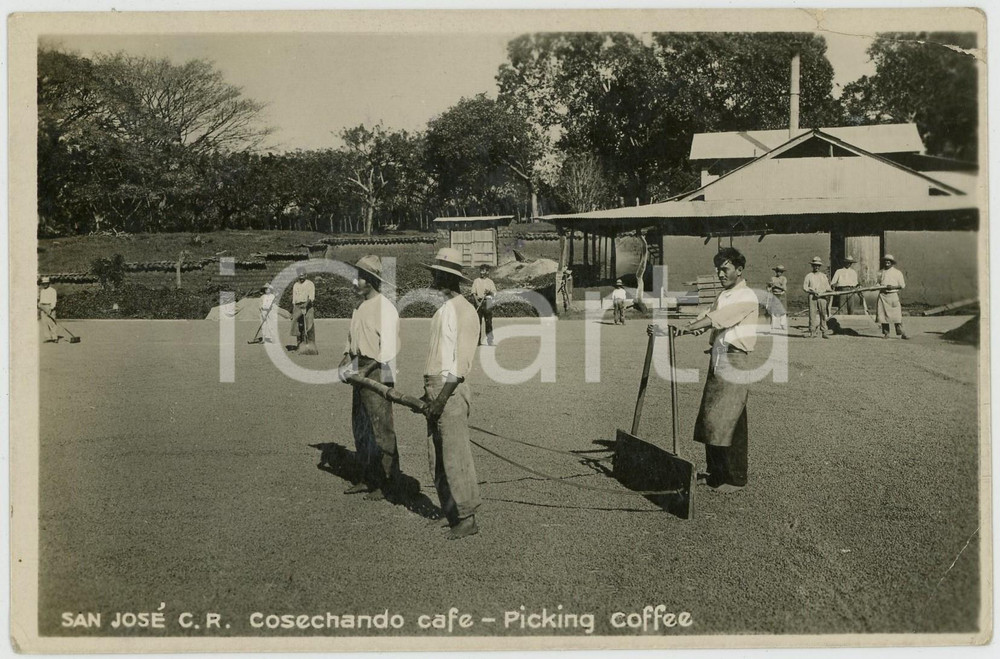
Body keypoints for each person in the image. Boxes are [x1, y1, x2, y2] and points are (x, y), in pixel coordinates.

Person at [648, 247, 758, 492]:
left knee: (730, 420)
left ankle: (736, 478)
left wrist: (690, 327)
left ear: (739, 271)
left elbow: (719, 318)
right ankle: (716, 473)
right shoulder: (724, 294)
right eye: (718, 269)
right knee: (712, 420)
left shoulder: (747, 295)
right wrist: (677, 329)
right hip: (718, 360)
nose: (720, 274)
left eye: (725, 269)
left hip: (735, 361)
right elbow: (706, 317)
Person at [420, 247, 482, 540]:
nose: (431, 276)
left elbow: (460, 365)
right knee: (438, 456)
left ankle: (467, 517)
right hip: (435, 387)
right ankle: (451, 512)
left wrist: (442, 398)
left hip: (450, 391)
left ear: (446, 277)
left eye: (435, 272)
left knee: (456, 455)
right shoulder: (442, 310)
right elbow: (437, 355)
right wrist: (428, 394)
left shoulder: (465, 312)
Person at [338, 255, 402, 500]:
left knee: (381, 428)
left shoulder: (385, 307)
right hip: (360, 367)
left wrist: (365, 371)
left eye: (360, 278)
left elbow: (388, 348)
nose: (356, 283)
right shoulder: (360, 307)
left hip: (377, 370)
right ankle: (367, 477)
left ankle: (386, 483)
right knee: (361, 427)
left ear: (371, 281)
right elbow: (352, 337)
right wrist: (345, 357)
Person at [876, 254, 908, 340]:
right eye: (885, 260)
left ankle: (902, 333)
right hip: (882, 296)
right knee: (883, 316)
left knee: (897, 316)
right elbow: (878, 283)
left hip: (893, 295)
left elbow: (902, 285)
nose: (887, 262)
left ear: (892, 263)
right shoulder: (880, 272)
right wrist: (877, 286)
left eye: (889, 261)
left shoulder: (897, 273)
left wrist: (892, 287)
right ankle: (886, 333)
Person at [802, 256, 832, 339]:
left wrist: (830, 291)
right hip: (812, 296)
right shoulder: (809, 276)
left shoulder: (823, 276)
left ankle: (824, 332)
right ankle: (812, 332)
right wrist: (812, 291)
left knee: (823, 314)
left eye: (818, 266)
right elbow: (805, 287)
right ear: (812, 266)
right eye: (815, 265)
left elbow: (827, 287)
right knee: (812, 314)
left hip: (822, 297)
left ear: (820, 266)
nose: (816, 267)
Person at [289, 267, 315, 350]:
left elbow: (311, 297)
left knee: (308, 325)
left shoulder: (310, 284)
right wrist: (294, 309)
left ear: (306, 275)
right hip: (297, 306)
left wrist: (305, 305)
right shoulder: (296, 285)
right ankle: (299, 344)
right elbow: (294, 298)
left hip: (308, 305)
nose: (301, 278)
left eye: (303, 275)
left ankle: (310, 345)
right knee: (298, 326)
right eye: (300, 276)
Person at [471, 264, 497, 346]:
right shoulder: (476, 281)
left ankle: (490, 340)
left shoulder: (490, 282)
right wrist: (477, 302)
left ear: (487, 272)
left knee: (488, 322)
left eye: (484, 270)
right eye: (481, 270)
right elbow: (473, 293)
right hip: (478, 301)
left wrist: (489, 292)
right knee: (477, 323)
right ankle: (477, 341)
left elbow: (494, 293)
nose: (482, 272)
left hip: (488, 302)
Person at [765, 265, 787, 333]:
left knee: (783, 311)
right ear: (775, 271)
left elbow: (784, 288)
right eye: (777, 271)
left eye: (780, 272)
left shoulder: (783, 279)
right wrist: (769, 287)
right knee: (773, 311)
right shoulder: (773, 278)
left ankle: (783, 324)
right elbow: (769, 287)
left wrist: (775, 285)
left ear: (782, 272)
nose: (778, 273)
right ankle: (772, 325)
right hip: (774, 295)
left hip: (782, 295)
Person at [38, 276, 60, 342]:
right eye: (43, 283)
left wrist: (51, 308)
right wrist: (39, 305)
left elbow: (54, 300)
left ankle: (55, 337)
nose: (44, 284)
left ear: (48, 283)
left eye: (46, 283)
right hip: (42, 307)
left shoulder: (52, 290)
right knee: (44, 323)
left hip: (49, 306)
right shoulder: (42, 291)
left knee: (51, 322)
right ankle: (48, 337)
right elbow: (41, 299)